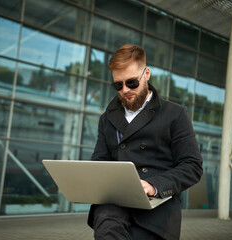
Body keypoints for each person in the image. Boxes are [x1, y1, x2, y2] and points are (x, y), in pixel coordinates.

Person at [87, 44, 203, 240]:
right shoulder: (106, 119)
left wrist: (153, 185)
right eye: (118, 85)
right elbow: (99, 163)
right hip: (112, 211)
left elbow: (192, 166)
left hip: (156, 212)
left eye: (132, 82)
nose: (125, 90)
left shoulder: (175, 114)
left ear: (146, 74)